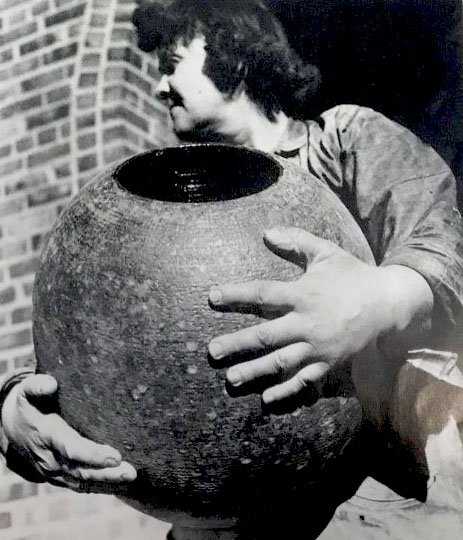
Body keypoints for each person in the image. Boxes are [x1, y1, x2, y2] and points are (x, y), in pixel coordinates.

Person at [0, 0, 462, 530]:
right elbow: (102, 341)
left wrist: (376, 299)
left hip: (375, 497)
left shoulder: (346, 143)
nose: (159, 87)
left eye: (172, 63)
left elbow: (444, 249)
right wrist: (14, 414)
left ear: (234, 56)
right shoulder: (166, 211)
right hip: (222, 522)